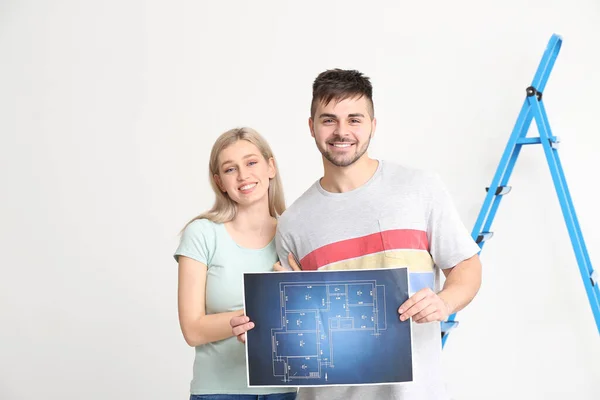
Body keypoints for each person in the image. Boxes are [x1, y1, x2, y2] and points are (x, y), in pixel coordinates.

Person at [231, 69, 482, 400]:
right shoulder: (294, 223)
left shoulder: (419, 188)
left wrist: (444, 302)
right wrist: (262, 330)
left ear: (372, 125)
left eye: (354, 119)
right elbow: (302, 331)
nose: (341, 131)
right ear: (312, 127)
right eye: (329, 120)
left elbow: (467, 268)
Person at [174, 127, 297, 400]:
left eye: (251, 162)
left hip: (284, 390)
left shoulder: (294, 235)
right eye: (230, 169)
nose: (243, 175)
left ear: (270, 167)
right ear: (219, 182)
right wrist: (257, 315)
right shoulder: (202, 234)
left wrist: (298, 293)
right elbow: (192, 330)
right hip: (219, 392)